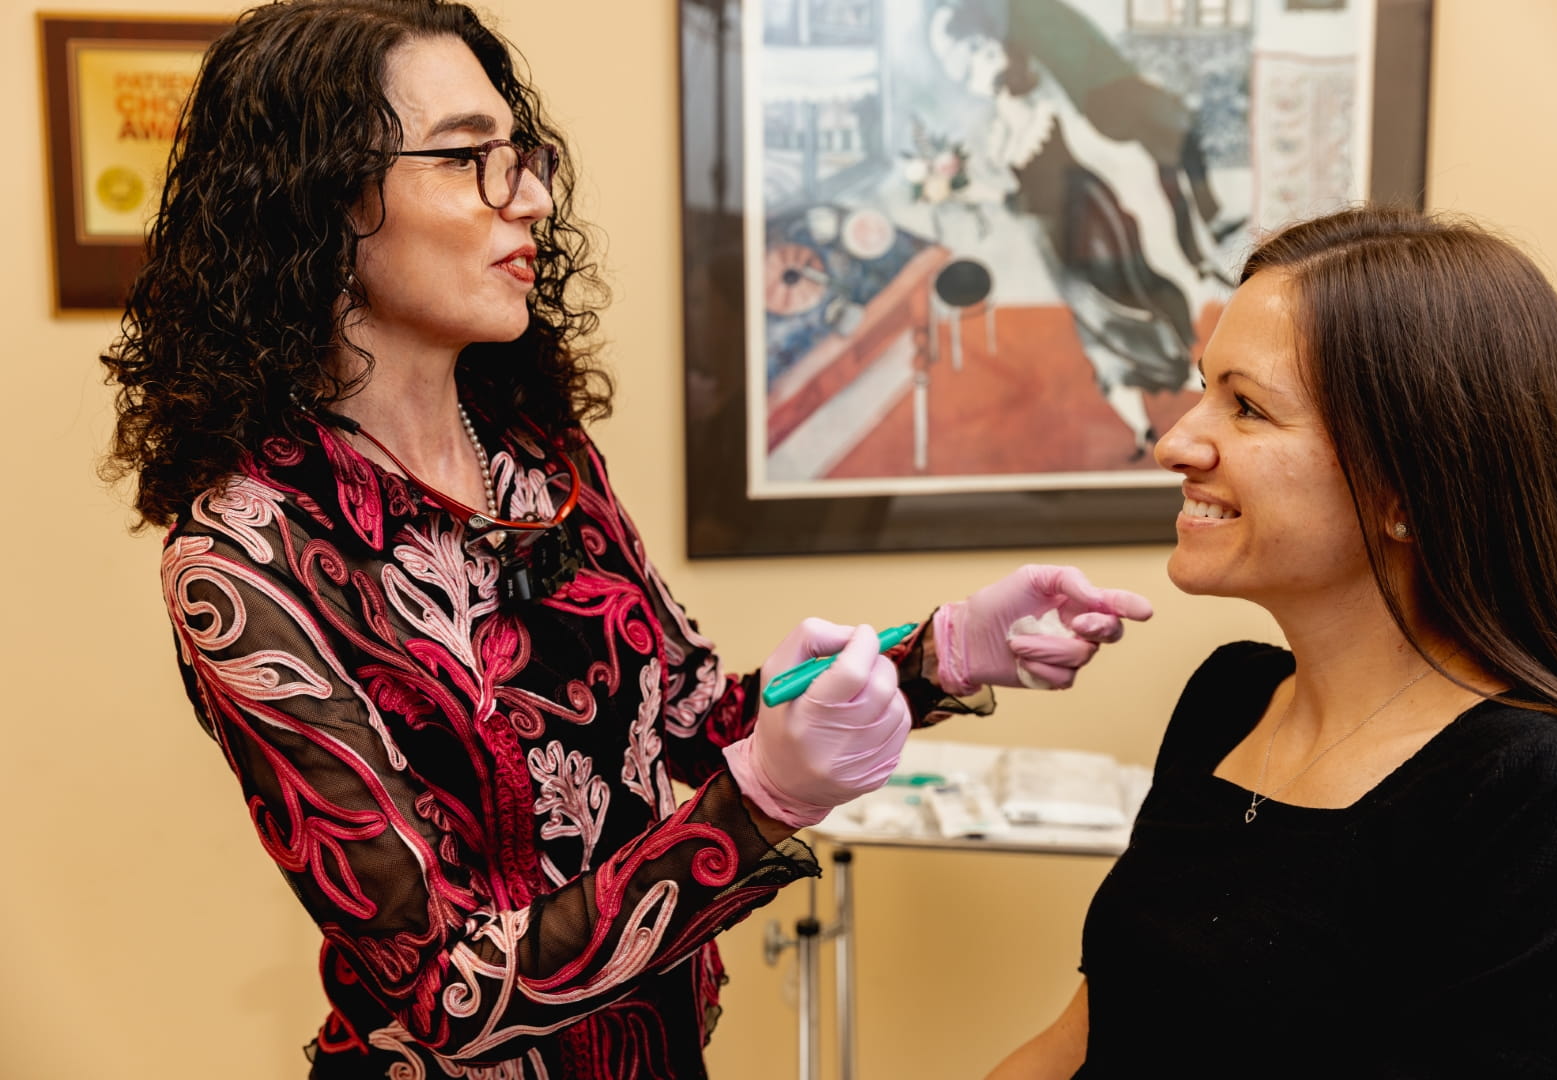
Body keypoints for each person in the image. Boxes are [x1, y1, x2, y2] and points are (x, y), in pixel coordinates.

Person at [98, 2, 1152, 1076]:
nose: (532, 197)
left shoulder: (536, 453)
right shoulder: (243, 559)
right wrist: (762, 804)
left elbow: (692, 722)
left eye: (523, 156)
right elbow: (449, 993)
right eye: (467, 158)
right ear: (319, 199)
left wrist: (939, 653)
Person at [987, 206, 1557, 1078]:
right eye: (1203, 388)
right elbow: (1086, 1038)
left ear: (1409, 489)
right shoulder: (1230, 699)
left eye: (1246, 407)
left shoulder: (1546, 789)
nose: (1175, 442)